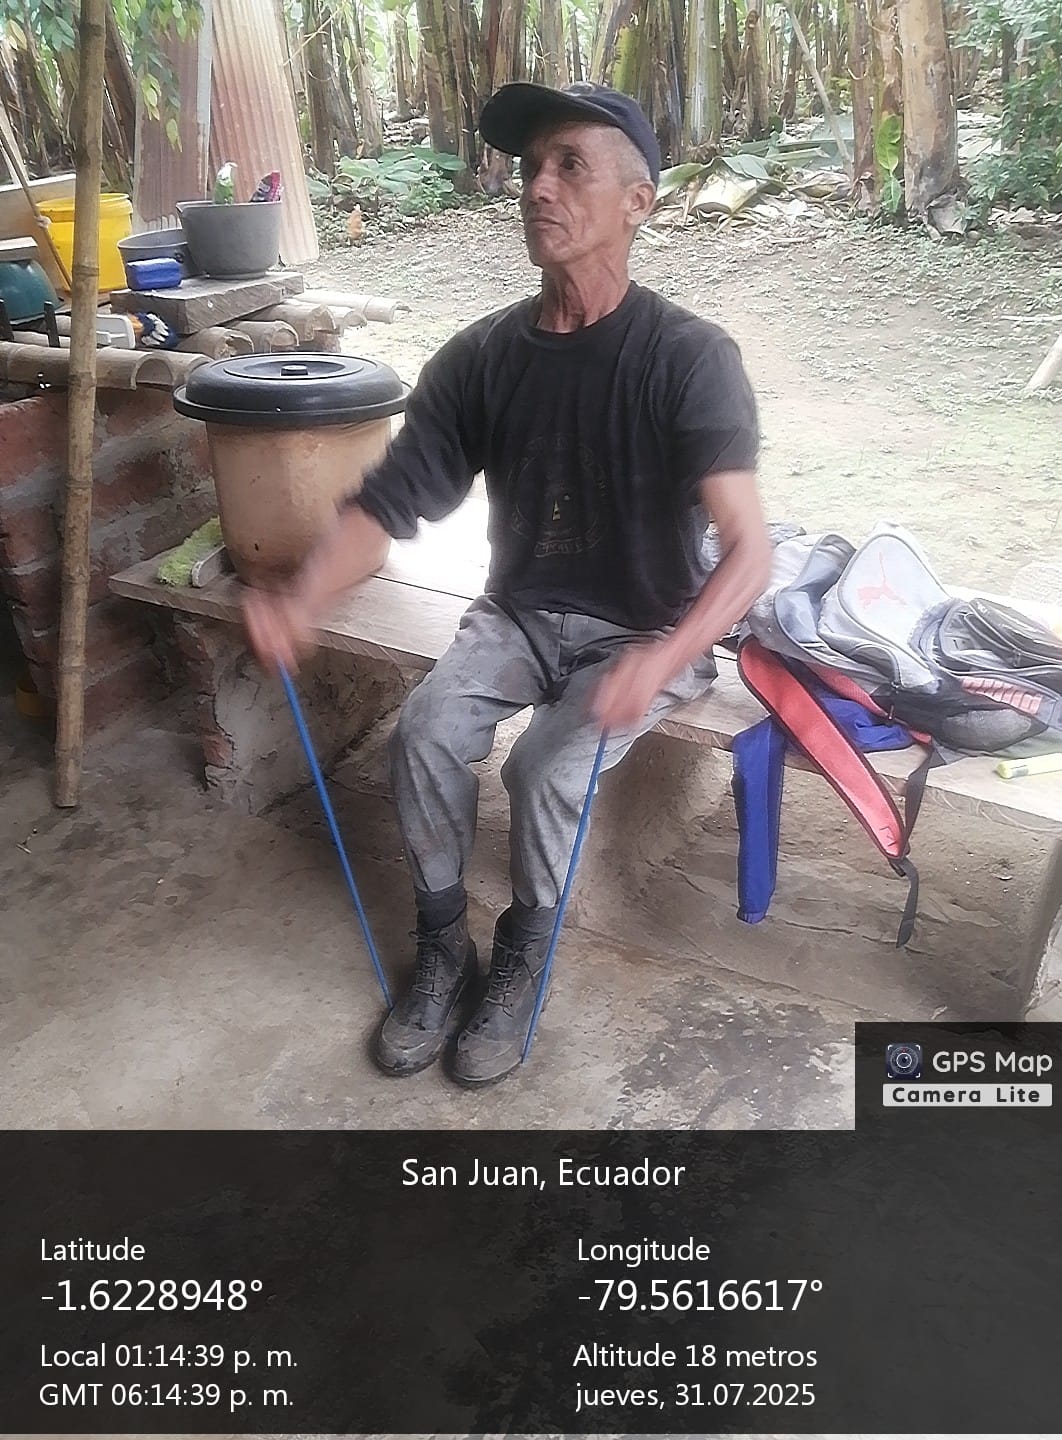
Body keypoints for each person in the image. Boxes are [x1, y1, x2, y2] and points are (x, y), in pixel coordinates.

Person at [242, 81, 771, 1087]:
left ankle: (525, 952)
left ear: (639, 202)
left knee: (546, 769)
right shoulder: (482, 357)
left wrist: (663, 655)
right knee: (425, 732)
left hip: (648, 627)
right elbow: (386, 505)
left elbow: (750, 551)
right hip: (520, 614)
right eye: (530, 168)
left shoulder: (690, 358)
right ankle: (444, 946)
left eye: (570, 165)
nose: (537, 187)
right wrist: (300, 600)